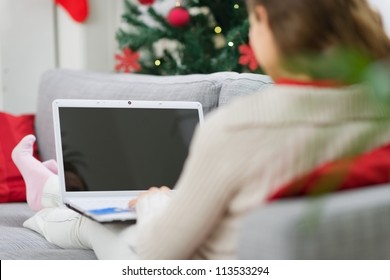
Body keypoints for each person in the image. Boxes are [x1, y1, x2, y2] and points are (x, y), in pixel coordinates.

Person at [13, 0, 390, 259]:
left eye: (254, 19)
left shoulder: (243, 125)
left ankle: (48, 194)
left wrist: (155, 204)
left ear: (275, 28)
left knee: (91, 224)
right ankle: (49, 190)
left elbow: (154, 254)